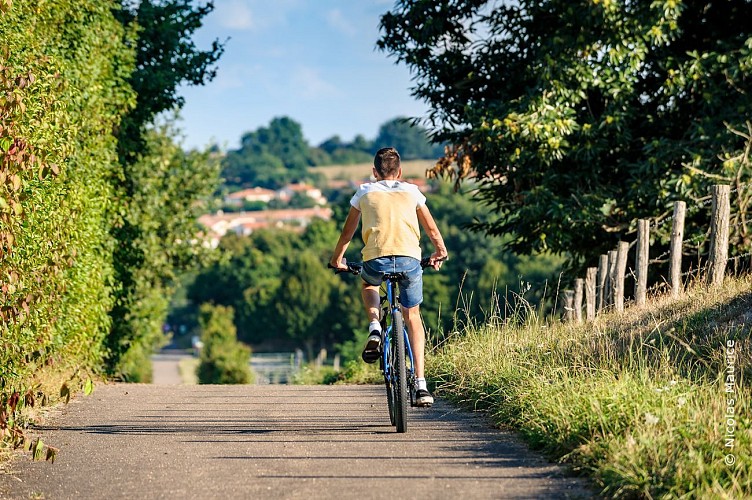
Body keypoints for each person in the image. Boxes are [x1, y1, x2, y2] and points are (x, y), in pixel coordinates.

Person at [329, 147, 448, 407]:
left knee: (368, 283)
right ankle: (421, 385)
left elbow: (347, 233)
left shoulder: (364, 191)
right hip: (409, 260)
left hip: (375, 259)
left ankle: (374, 326)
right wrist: (440, 251)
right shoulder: (413, 191)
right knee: (412, 315)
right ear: (400, 172)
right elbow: (431, 227)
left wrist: (337, 259)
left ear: (374, 172)